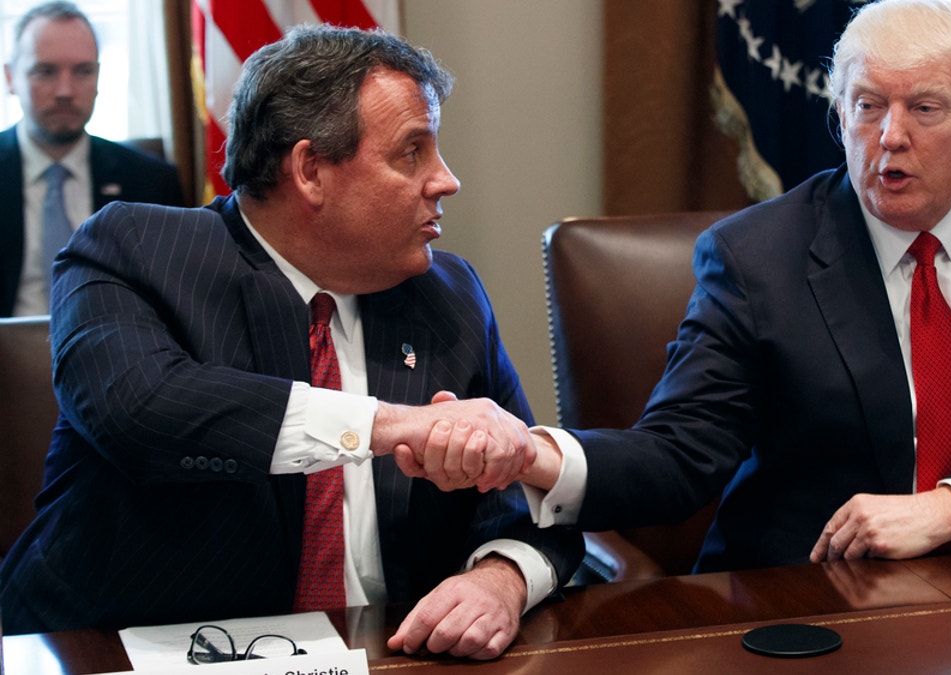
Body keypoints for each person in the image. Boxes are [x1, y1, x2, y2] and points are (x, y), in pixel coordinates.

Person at [400, 0, 951, 601]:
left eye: (925, 108)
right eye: (866, 106)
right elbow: (680, 455)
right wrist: (531, 451)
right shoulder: (758, 256)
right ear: (839, 115)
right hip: (817, 594)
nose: (889, 136)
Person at [0, 24, 582, 661]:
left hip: (386, 653)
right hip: (115, 652)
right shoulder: (136, 252)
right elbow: (139, 406)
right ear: (310, 170)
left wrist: (499, 581)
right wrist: (394, 426)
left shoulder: (449, 295)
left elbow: (532, 501)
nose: (446, 180)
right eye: (412, 152)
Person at [1, 1, 185, 318]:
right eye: (45, 71)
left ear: (99, 76)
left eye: (83, 71)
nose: (65, 90)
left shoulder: (151, 181)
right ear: (10, 78)